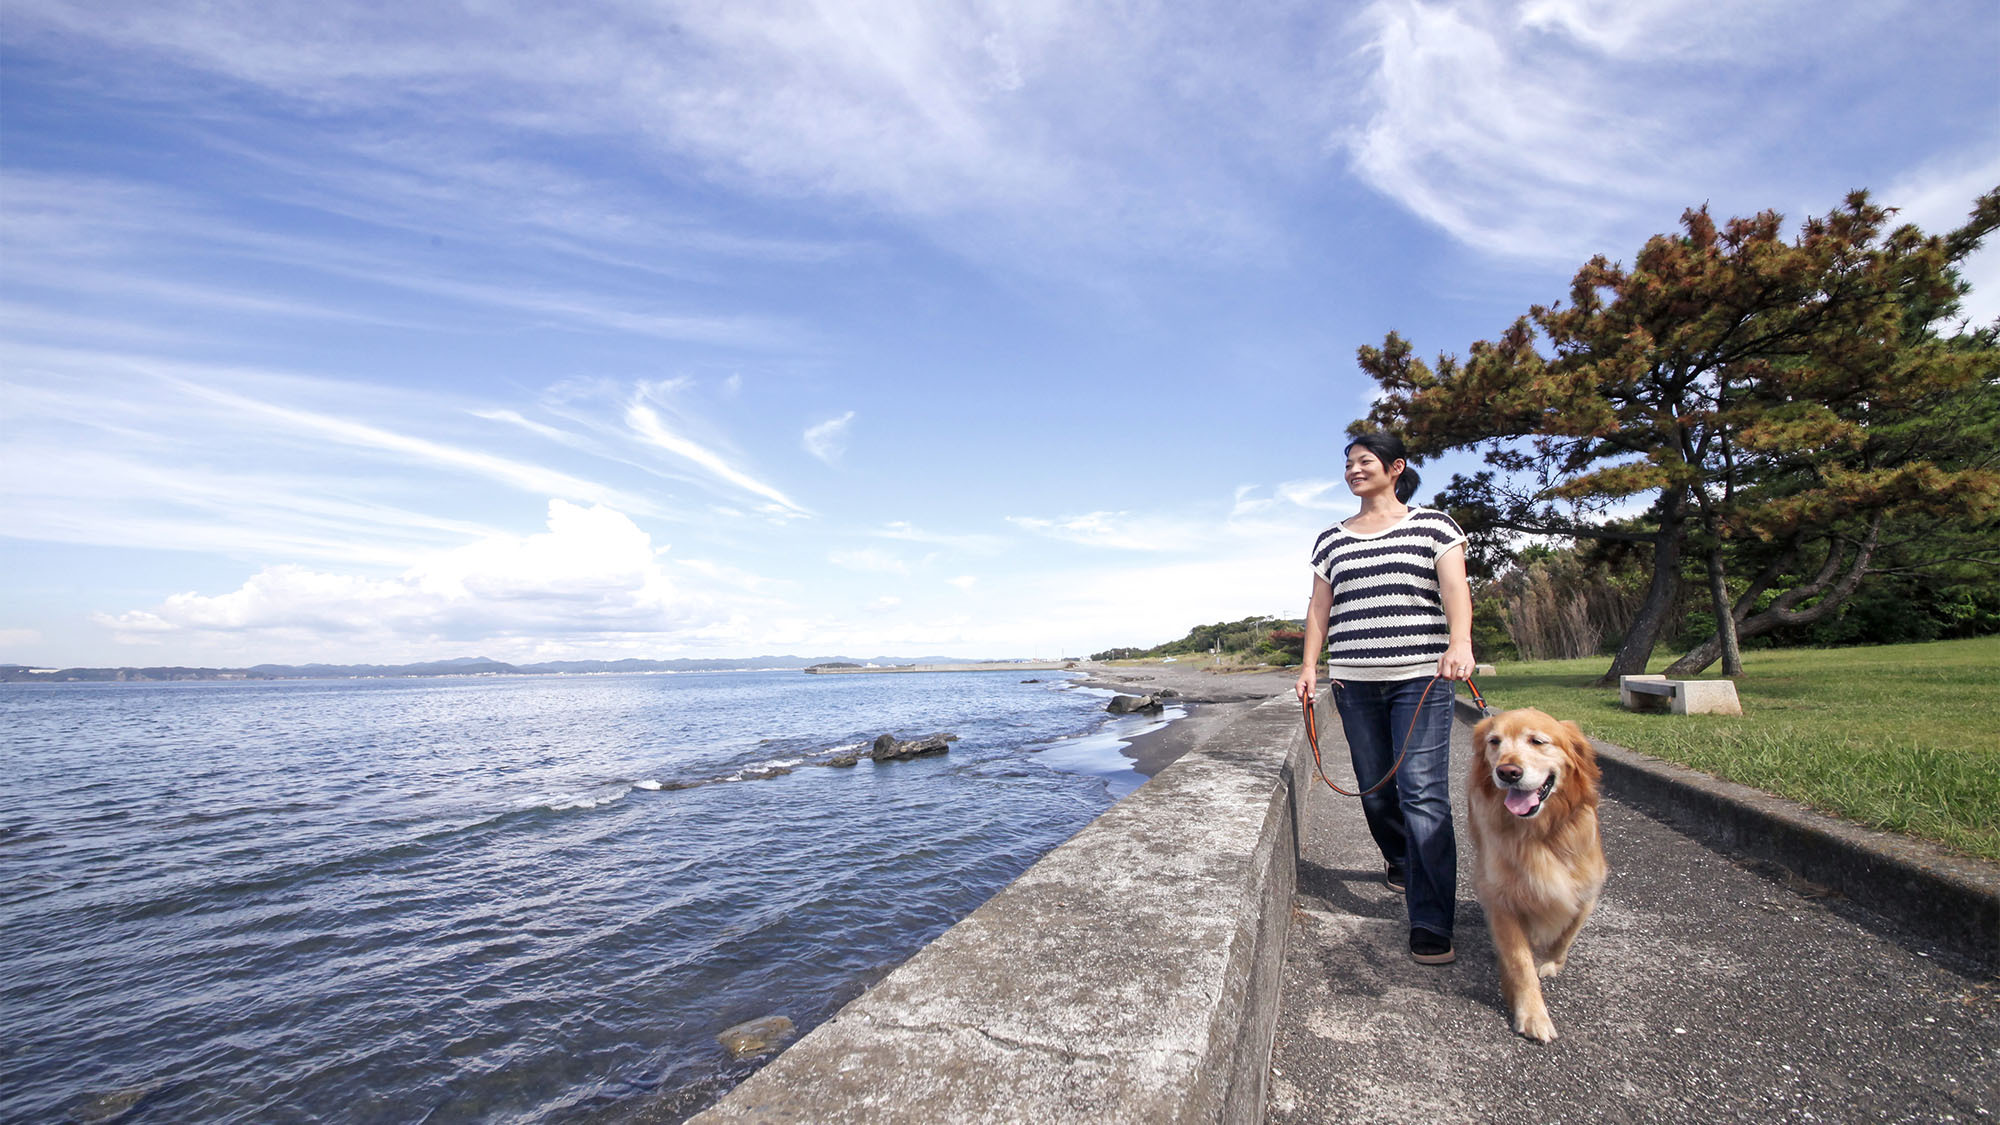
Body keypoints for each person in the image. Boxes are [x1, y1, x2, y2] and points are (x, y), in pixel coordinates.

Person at [1293, 430, 1474, 965]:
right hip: (1353, 679)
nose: (1353, 470)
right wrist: (1309, 666)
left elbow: (1455, 591)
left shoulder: (1433, 525)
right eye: (1348, 463)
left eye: (1364, 461)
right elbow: (1319, 609)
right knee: (1376, 792)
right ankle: (1399, 857)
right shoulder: (1331, 540)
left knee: (1423, 795)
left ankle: (1430, 919)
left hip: (1421, 677)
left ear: (1395, 467)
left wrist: (1459, 643)